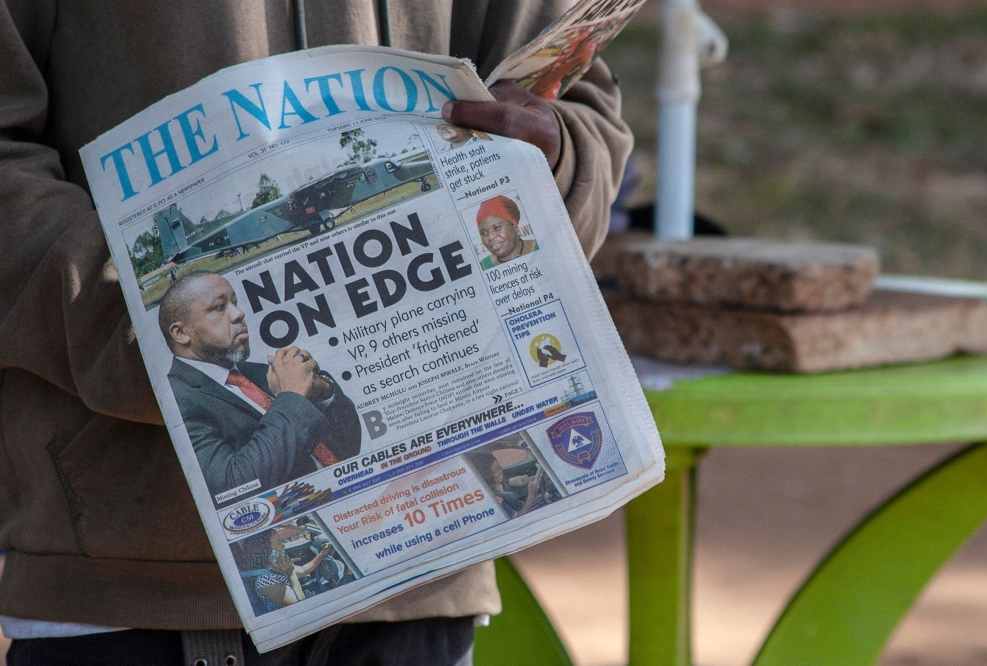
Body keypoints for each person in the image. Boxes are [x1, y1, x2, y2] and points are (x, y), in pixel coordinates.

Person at [0, 2, 632, 664]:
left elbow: (572, 91)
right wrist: (161, 339)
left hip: (423, 574)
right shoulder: (199, 344)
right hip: (134, 580)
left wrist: (544, 174)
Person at [160, 271, 361, 501]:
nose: (238, 313)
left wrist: (325, 393)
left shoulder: (262, 372)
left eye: (234, 302)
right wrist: (292, 396)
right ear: (181, 333)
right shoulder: (176, 401)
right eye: (219, 307)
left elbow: (347, 450)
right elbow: (234, 486)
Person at [476, 195, 538, 268]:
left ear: (515, 227)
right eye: (483, 233)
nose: (490, 237)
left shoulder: (539, 246)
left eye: (496, 228)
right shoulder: (483, 266)